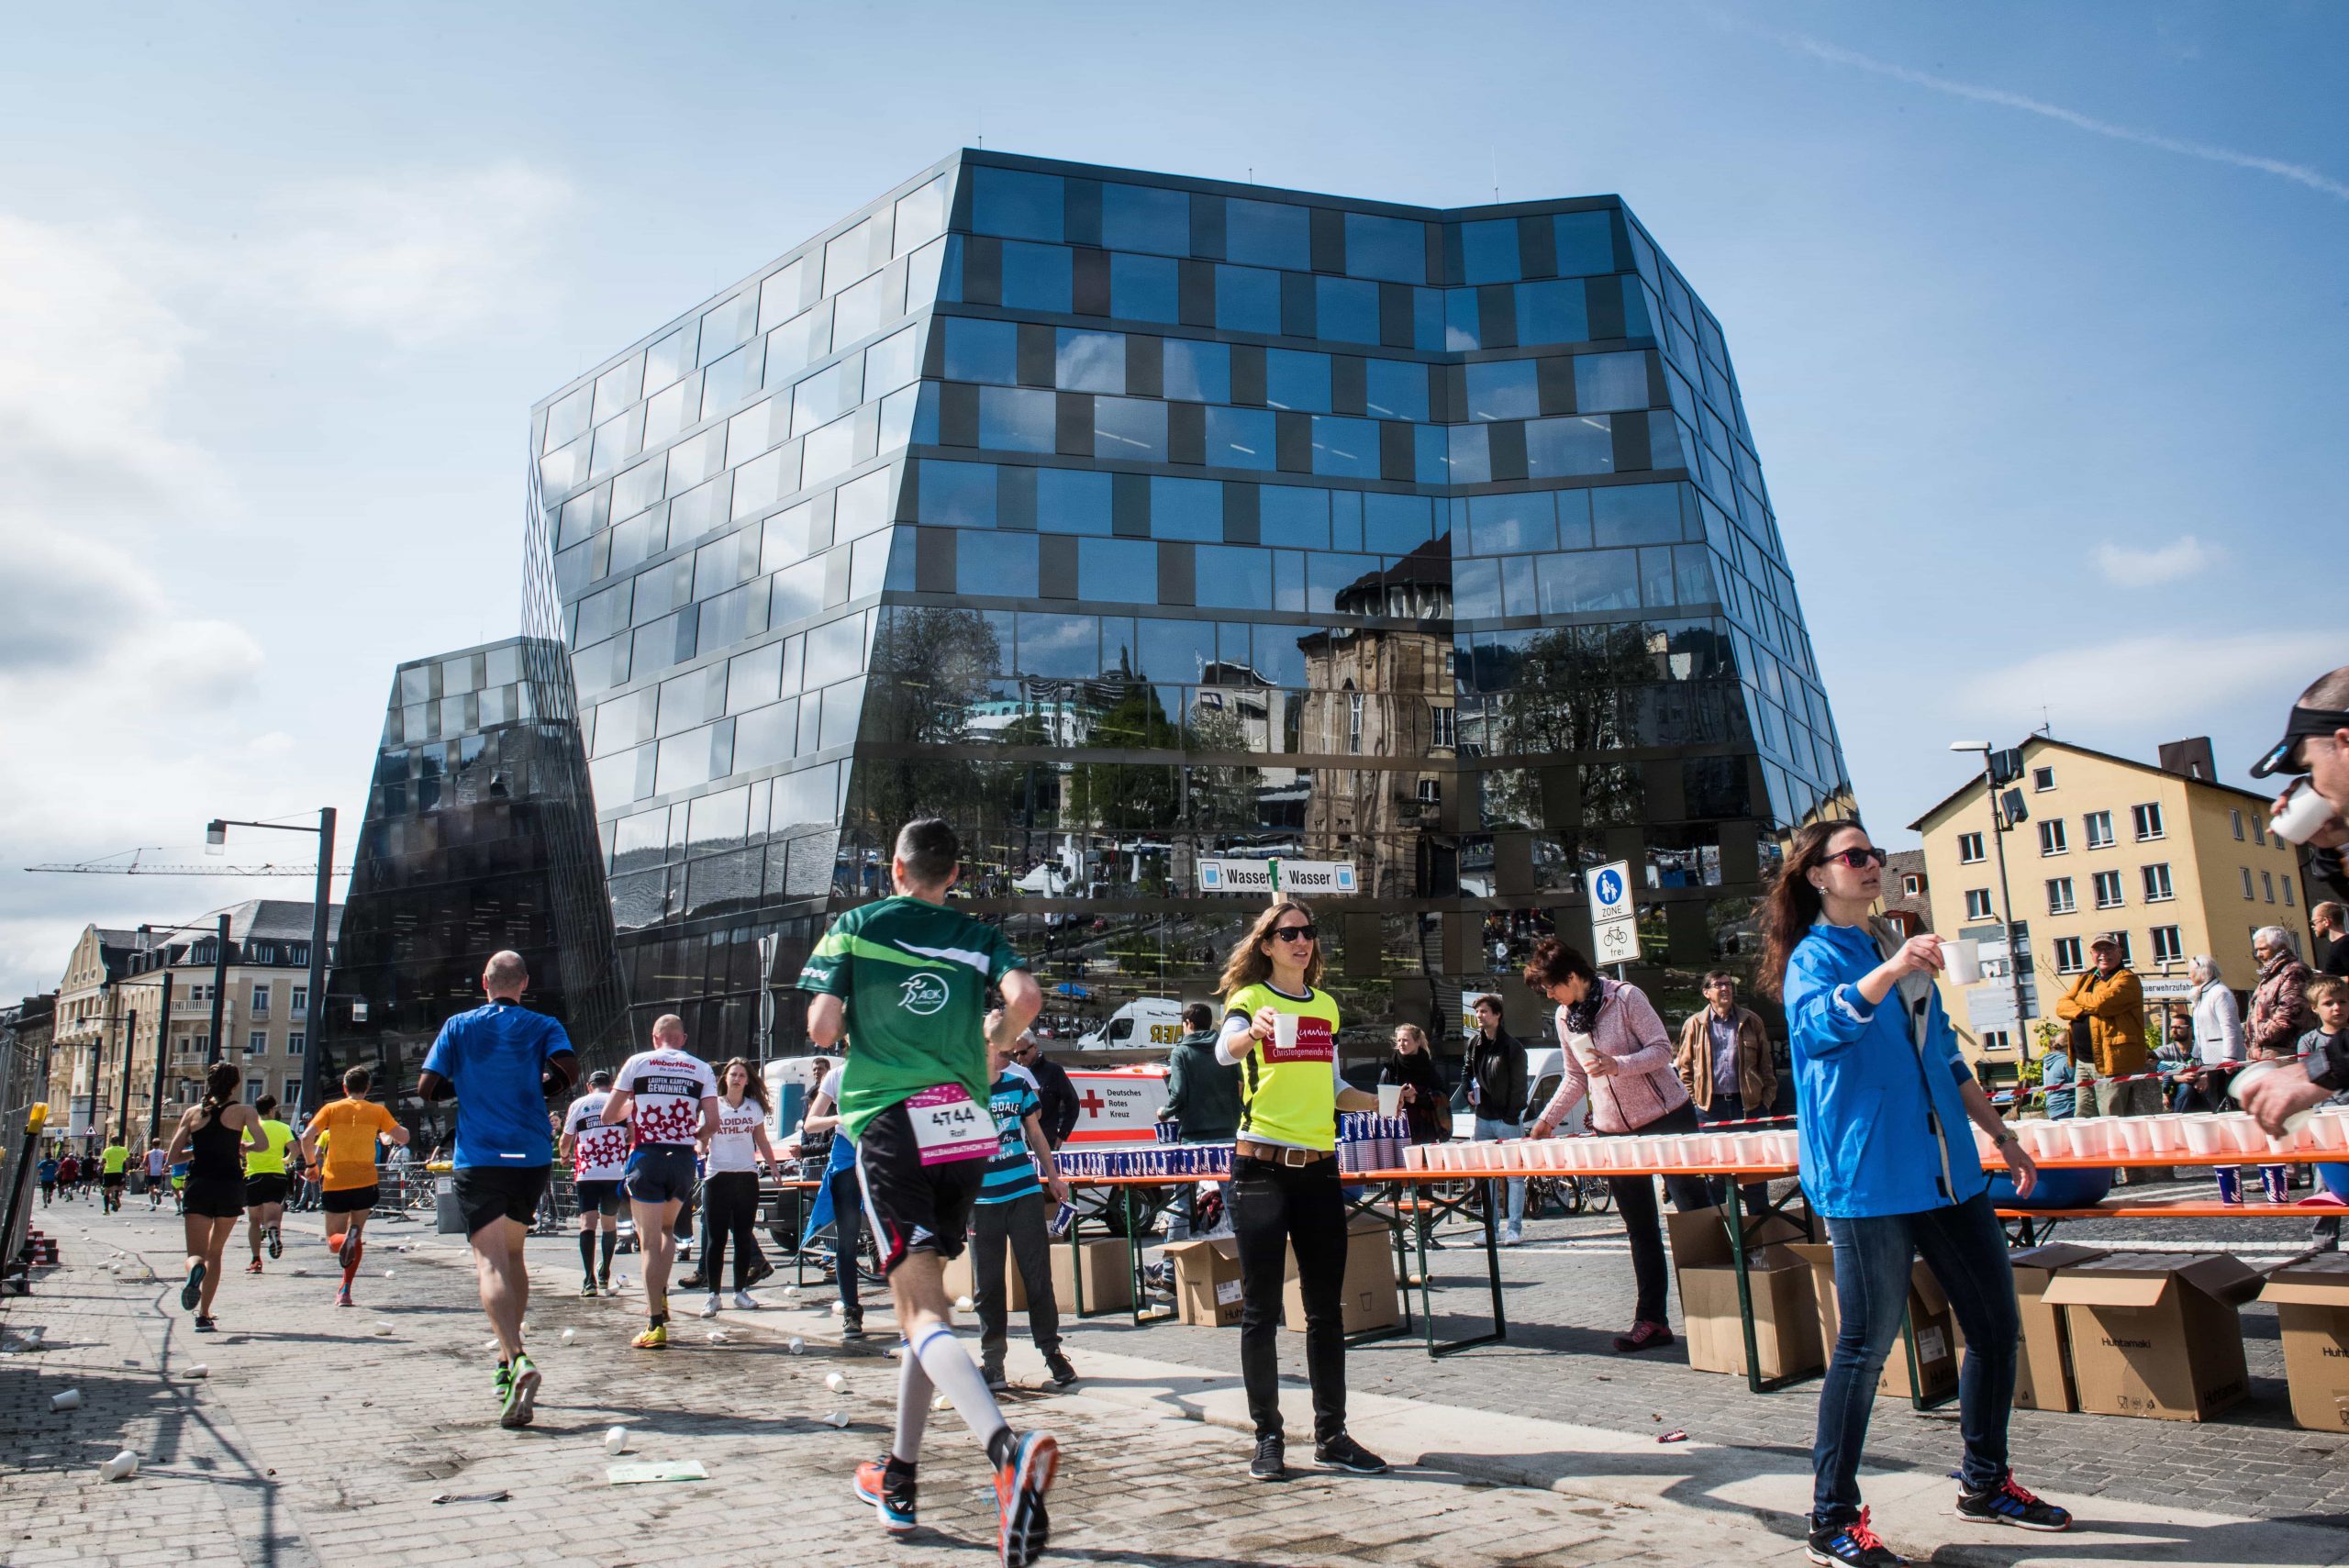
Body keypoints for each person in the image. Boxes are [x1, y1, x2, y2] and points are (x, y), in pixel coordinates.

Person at [1757, 820, 2068, 1566]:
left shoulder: (1894, 950)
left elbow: (1947, 1059)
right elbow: (1824, 1026)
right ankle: (1832, 1517)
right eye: (1853, 857)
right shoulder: (1815, 959)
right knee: (1865, 1347)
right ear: (1818, 877)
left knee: (1995, 1326)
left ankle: (1985, 1482)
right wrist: (1893, 968)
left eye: (1873, 855)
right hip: (1869, 1178)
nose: (1870, 866)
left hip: (1948, 1173)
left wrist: (2003, 1135)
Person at [801, 817, 1060, 1563]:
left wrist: (856, 1006)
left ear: (895, 868)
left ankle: (1006, 1449)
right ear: (953, 873)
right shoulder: (976, 935)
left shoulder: (856, 924)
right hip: (964, 1127)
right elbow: (1029, 998)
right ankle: (901, 1474)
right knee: (931, 1311)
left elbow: (821, 1029)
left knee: (917, 1312)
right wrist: (993, 1041)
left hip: (891, 1122)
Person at [1214, 898, 1388, 1483]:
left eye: (1308, 932)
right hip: (1260, 1168)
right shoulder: (1250, 1001)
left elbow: (1335, 1088)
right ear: (1266, 944)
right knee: (1261, 1309)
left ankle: (1331, 1434)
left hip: (1319, 1169)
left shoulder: (1326, 1007)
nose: (1301, 941)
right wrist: (1249, 1035)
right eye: (1288, 933)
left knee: (1325, 1311)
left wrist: (1384, 1103)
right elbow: (1225, 1048)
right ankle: (1267, 1437)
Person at [1526, 938, 1712, 1353]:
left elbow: (1663, 1051)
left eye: (1551, 986)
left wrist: (1618, 1065)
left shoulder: (1626, 997)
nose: (1549, 995)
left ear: (1572, 977)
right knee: (1640, 1228)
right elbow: (1576, 1077)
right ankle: (1652, 1321)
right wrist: (1544, 1121)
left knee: (1694, 1213)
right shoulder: (1564, 1017)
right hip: (1614, 1131)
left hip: (1667, 1118)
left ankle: (1722, 1306)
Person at [420, 950, 578, 1427]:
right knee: (513, 1257)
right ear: (524, 983)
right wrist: (541, 1088)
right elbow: (569, 1071)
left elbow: (427, 1087)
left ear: (483, 982)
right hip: (529, 1157)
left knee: (489, 1262)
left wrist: (464, 1089)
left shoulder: (459, 1025)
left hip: (482, 1157)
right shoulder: (543, 1023)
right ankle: (507, 1366)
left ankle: (517, 1356)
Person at [971, 1018, 1076, 1392]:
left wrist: (1053, 1175)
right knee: (987, 1284)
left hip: (1023, 1192)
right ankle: (993, 1363)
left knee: (1037, 1276)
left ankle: (1052, 1353)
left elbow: (1035, 1133)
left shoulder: (1017, 1085)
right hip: (981, 1201)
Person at [602, 1014, 718, 1351]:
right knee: (668, 1231)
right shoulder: (700, 1068)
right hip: (682, 1158)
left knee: (649, 1240)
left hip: (647, 1156)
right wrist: (690, 1134)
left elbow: (610, 1115)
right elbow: (712, 1122)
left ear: (655, 1038)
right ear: (682, 1038)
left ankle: (655, 1321)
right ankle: (661, 1295)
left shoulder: (637, 1063)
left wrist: (635, 1106)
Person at [163, 1062, 268, 1332]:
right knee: (216, 1252)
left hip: (199, 1185)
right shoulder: (244, 1111)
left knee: (195, 1254)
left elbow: (173, 1156)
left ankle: (194, 1270)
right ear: (235, 1084)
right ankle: (204, 1314)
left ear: (209, 1083)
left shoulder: (192, 1113)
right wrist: (241, 1147)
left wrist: (197, 1151)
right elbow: (263, 1144)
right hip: (230, 1186)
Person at [302, 1065, 410, 1307]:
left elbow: (306, 1137)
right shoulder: (377, 1111)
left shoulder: (331, 1109)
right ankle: (345, 1290)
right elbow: (403, 1137)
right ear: (368, 1088)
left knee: (333, 1240)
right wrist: (395, 1132)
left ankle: (344, 1242)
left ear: (344, 1087)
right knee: (357, 1236)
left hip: (335, 1180)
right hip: (366, 1181)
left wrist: (311, 1165)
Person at [1674, 971, 1779, 1217]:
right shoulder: (1695, 1025)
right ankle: (1724, 1240)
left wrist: (1765, 1101)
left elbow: (1766, 1066)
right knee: (1716, 1178)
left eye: (1728, 984)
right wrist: (1695, 1100)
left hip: (1749, 1107)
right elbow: (1684, 1069)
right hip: (1711, 1111)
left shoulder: (1751, 1021)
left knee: (1755, 1175)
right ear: (1706, 992)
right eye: (1718, 985)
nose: (1725, 989)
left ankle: (1758, 1242)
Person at [697, 1057, 780, 1317]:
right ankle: (713, 1294)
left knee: (743, 1235)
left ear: (748, 1080)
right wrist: (699, 1154)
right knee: (716, 1238)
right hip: (717, 1175)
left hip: (745, 1176)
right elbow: (703, 1138)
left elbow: (762, 1140)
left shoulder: (753, 1107)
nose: (737, 1079)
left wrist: (774, 1167)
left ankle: (740, 1291)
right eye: (733, 1074)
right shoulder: (713, 1106)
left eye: (742, 1075)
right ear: (725, 1078)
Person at [787, 1074, 867, 1336]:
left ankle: (912, 1312)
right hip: (847, 1155)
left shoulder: (889, 1064)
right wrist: (837, 1119)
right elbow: (810, 1124)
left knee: (898, 1235)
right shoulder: (837, 1076)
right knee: (847, 1239)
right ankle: (851, 1310)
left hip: (882, 1152)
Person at [1163, 1000, 1242, 1237]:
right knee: (1233, 1202)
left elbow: (1178, 1094)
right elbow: (1240, 1085)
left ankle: (1170, 1272)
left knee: (1181, 1203)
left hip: (1193, 1140)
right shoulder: (1226, 1048)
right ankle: (1242, 1262)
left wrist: (1164, 1112)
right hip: (1228, 1136)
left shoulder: (1181, 1052)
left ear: (1188, 1024)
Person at [2054, 934, 2152, 1118]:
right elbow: (2061, 1005)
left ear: (2120, 952)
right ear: (2091, 953)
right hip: (2083, 1062)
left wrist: (2078, 999)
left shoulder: (2127, 979)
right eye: (2098, 950)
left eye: (2109, 949)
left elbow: (2102, 1003)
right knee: (2082, 1117)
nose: (2103, 954)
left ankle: (2116, 1147)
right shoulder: (2086, 978)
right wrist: (2082, 1010)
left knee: (2111, 1116)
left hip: (2112, 1062)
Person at [1464, 994, 1531, 1245]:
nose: (1479, 1016)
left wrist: (1511, 1115)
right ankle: (1489, 1228)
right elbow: (1467, 1070)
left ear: (1497, 1014)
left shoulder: (1512, 1047)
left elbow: (1518, 1086)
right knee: (1487, 1175)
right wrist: (1468, 1091)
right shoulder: (1474, 1043)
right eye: (1478, 1011)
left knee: (1513, 1175)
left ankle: (1514, 1228)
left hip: (1506, 1118)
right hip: (1483, 1117)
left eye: (1484, 1011)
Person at [561, 1068, 630, 1297]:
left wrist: (564, 1156)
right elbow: (632, 1133)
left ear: (589, 1086)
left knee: (587, 1223)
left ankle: (589, 1280)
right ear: (610, 1085)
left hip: (587, 1173)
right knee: (609, 1225)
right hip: (614, 1172)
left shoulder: (579, 1105)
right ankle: (605, 1272)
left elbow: (566, 1139)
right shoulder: (620, 1102)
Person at [2298, 976, 2349, 1249]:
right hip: (2325, 1124)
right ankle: (2324, 1242)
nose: (2337, 1008)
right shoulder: (2309, 1042)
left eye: (2342, 1002)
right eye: (2329, 1003)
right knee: (2324, 1185)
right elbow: (2310, 1082)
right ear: (2315, 1008)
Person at [2171, 956, 2245, 1113]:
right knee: (2216, 1102)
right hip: (2210, 1060)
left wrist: (2229, 1059)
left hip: (2223, 1059)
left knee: (2228, 1103)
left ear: (2201, 971)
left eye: (2189, 971)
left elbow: (2229, 1027)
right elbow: (2200, 1029)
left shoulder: (2220, 993)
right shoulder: (2203, 994)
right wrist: (2196, 1056)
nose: (2188, 975)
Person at [240, 1095, 295, 1272]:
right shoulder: (284, 1127)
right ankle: (273, 1232)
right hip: (277, 1175)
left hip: (254, 1175)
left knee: (254, 1219)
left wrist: (246, 1157)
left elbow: (240, 1149)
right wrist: (286, 1160)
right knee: (272, 1216)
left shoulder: (249, 1128)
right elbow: (296, 1150)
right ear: (272, 1109)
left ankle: (256, 1260)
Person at [2247, 927, 2316, 1062]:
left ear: (2282, 948)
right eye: (2257, 950)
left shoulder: (2294, 971)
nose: (2259, 955)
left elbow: (2289, 1014)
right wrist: (2252, 1042)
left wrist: (2259, 1037)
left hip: (2282, 1051)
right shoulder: (2272, 974)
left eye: (2263, 949)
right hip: (2266, 1050)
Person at [1377, 1023, 1452, 1148]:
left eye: (1406, 1040)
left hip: (1425, 1130)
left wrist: (1416, 1097)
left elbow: (1443, 1099)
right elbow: (1380, 1100)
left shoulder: (1428, 1068)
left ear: (1417, 1042)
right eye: (1399, 1040)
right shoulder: (1390, 1068)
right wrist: (1397, 1095)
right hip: (1396, 1130)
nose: (1401, 1044)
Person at [1013, 1034, 1079, 1150]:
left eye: (1023, 1052)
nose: (1019, 1058)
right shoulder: (1015, 1073)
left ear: (1035, 1048)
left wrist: (1062, 1135)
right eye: (1016, 1054)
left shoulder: (1054, 1071)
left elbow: (1073, 1104)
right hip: (1019, 1142)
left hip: (1046, 1141)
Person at [2038, 1046, 2077, 1120]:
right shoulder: (2066, 1061)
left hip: (2052, 1107)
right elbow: (2076, 1085)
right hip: (2067, 1106)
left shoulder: (2049, 1062)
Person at [2314, 902, 2349, 980]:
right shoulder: (2339, 944)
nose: (2313, 926)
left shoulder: (2344, 945)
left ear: (2326, 921)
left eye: (2314, 922)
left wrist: (2331, 980)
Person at [98, 1135, 128, 1213]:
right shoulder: (123, 1149)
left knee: (106, 1191)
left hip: (108, 1171)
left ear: (111, 1142)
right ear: (118, 1142)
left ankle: (106, 1210)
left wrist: (100, 1167)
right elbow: (127, 1160)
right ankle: (114, 1198)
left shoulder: (107, 1150)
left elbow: (103, 1161)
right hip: (118, 1171)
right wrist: (127, 1169)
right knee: (115, 1187)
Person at [145, 1141, 167, 1210]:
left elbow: (143, 1163)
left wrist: (145, 1169)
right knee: (157, 1187)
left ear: (152, 1144)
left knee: (151, 1190)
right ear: (159, 1144)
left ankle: (153, 1205)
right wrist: (164, 1170)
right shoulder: (163, 1153)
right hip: (159, 1172)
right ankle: (158, 1192)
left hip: (150, 1173)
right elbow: (166, 1162)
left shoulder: (148, 1153)